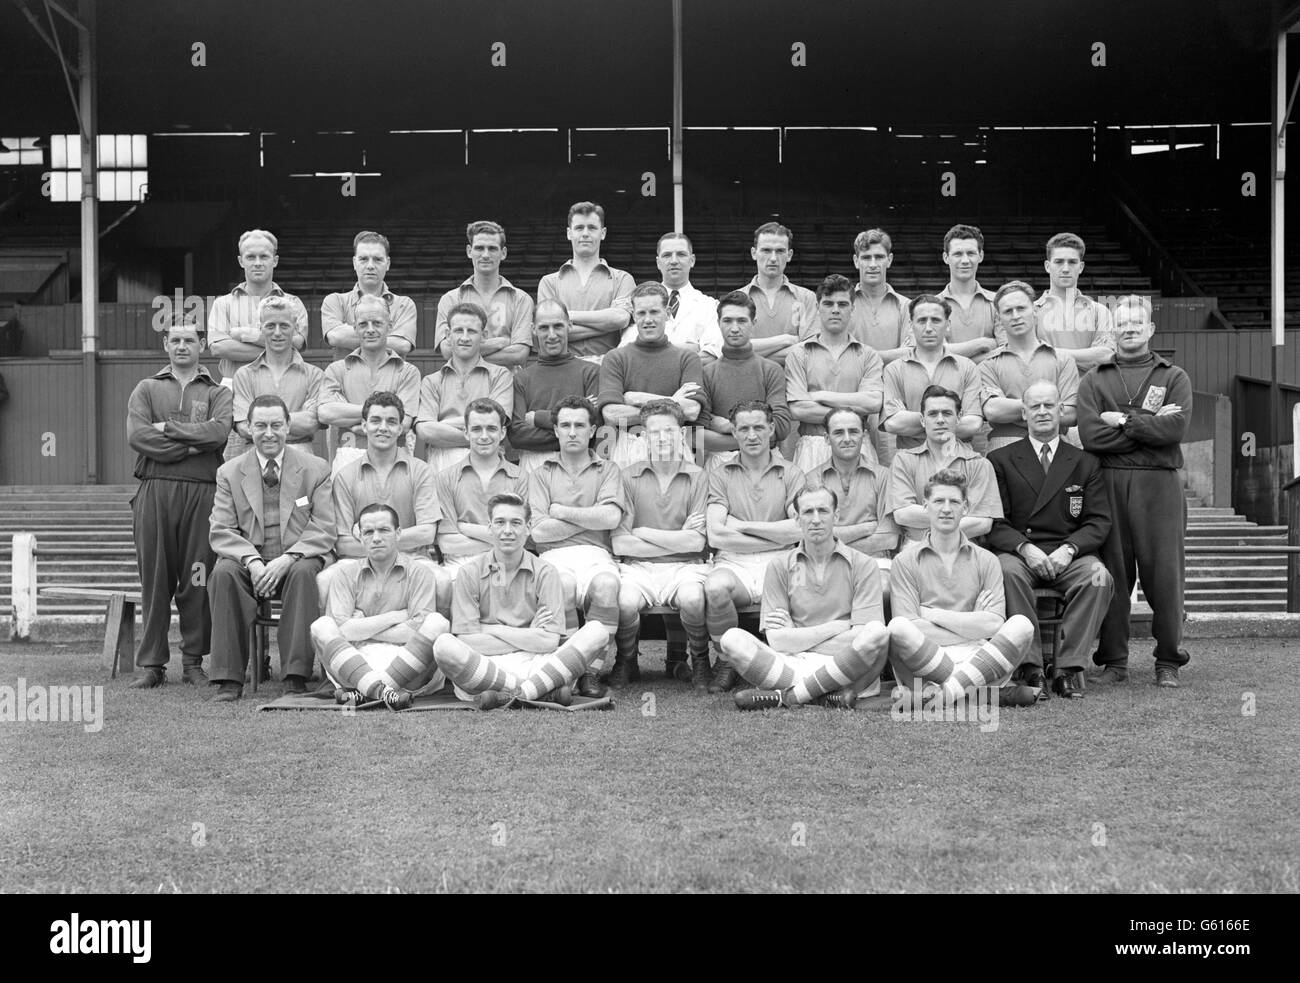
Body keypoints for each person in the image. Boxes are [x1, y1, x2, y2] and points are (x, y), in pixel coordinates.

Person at [1077, 295, 1192, 688]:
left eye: (1136, 323)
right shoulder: (1094, 378)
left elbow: (1174, 431)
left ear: (1150, 329)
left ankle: (1169, 661)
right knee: (1112, 574)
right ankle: (1114, 662)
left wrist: (1123, 421)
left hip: (1159, 485)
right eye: (1122, 323)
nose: (1129, 329)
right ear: (1114, 329)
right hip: (1107, 482)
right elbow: (1092, 436)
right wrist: (1147, 426)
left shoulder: (1173, 376)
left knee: (1165, 574)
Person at [987, 381, 1114, 699]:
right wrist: (1025, 548)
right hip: (1020, 552)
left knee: (1099, 577)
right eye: (1035, 406)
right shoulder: (1000, 459)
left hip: (1069, 551)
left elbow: (1099, 522)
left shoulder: (1085, 462)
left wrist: (1069, 549)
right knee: (1004, 572)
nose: (1042, 412)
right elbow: (995, 523)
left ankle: (1067, 669)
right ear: (1023, 413)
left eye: (1049, 405)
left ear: (1061, 410)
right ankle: (1029, 667)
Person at [125, 320, 233, 688]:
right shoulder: (147, 388)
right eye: (176, 340)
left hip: (202, 494)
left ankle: (193, 661)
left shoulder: (218, 392)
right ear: (166, 345)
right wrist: (191, 445)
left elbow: (219, 433)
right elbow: (138, 436)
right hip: (155, 491)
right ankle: (152, 665)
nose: (183, 345)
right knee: (155, 580)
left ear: (202, 344)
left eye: (190, 339)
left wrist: (167, 429)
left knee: (198, 577)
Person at [208, 395, 335, 702]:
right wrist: (252, 560)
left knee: (305, 573)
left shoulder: (316, 470)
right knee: (223, 572)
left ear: (288, 426)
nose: (269, 433)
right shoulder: (229, 472)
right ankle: (229, 678)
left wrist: (287, 559)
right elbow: (221, 529)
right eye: (261, 425)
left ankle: (294, 676)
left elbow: (325, 526)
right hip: (249, 560)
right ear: (248, 428)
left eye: (276, 425)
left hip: (296, 558)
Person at [432, 493, 610, 708]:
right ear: (490, 528)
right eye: (500, 522)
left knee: (597, 631)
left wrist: (488, 628)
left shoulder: (546, 572)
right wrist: (529, 634)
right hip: (487, 665)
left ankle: (512, 694)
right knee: (443, 645)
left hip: (536, 664)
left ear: (528, 528)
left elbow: (548, 642)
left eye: (516, 523)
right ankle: (538, 692)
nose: (507, 530)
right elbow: (468, 641)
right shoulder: (469, 572)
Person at [722, 485, 890, 710]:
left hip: (843, 664)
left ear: (836, 516)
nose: (816, 519)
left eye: (823, 511)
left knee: (878, 633)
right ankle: (820, 695)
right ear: (797, 519)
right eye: (808, 512)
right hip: (796, 663)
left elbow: (861, 635)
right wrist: (840, 626)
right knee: (731, 639)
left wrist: (797, 638)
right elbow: (777, 640)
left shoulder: (864, 565)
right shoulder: (780, 565)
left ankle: (790, 696)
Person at [887, 470, 1037, 706]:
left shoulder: (987, 559)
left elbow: (994, 625)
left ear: (965, 508)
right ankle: (975, 692)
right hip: (930, 659)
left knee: (1022, 625)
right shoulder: (905, 560)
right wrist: (971, 622)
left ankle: (943, 695)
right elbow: (908, 627)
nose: (946, 509)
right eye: (938, 501)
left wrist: (931, 614)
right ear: (925, 506)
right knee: (897, 627)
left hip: (979, 657)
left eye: (954, 502)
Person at [701, 400, 805, 693]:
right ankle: (725, 661)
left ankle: (790, 657)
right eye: (744, 429)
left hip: (782, 560)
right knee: (715, 588)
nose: (752, 435)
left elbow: (798, 531)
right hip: (734, 562)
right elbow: (717, 536)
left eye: (759, 427)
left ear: (772, 429)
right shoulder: (721, 474)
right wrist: (774, 534)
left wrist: (742, 525)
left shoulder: (792, 472)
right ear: (733, 433)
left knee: (807, 585)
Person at [527, 395, 626, 698]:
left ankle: (591, 673)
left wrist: (562, 511)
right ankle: (568, 671)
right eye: (565, 425)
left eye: (579, 425)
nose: (572, 432)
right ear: (555, 430)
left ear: (593, 429)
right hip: (553, 556)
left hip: (598, 555)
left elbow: (611, 517)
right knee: (562, 584)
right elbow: (540, 533)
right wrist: (591, 516)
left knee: (608, 586)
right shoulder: (541, 473)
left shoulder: (608, 469)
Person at [310, 504, 449, 711]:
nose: (376, 538)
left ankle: (365, 692)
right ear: (361, 538)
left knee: (438, 623)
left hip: (408, 663)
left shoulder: (420, 573)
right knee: (321, 626)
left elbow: (417, 631)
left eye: (383, 530)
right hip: (355, 660)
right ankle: (383, 692)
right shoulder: (345, 575)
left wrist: (363, 627)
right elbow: (343, 630)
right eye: (368, 532)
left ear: (398, 533)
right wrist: (395, 616)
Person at [609, 400, 709, 686]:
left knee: (692, 599)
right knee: (625, 603)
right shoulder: (628, 475)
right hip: (639, 567)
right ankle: (626, 660)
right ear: (644, 437)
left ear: (682, 435)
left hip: (685, 566)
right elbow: (620, 545)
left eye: (669, 431)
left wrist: (643, 532)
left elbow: (697, 543)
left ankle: (698, 658)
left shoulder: (698, 476)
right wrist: (678, 539)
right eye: (654, 432)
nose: (663, 438)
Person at [330, 391, 447, 609]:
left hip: (412, 558)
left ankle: (431, 641)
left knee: (441, 582)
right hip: (358, 561)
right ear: (364, 426)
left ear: (401, 428)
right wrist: (387, 544)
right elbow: (343, 543)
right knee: (324, 581)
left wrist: (374, 541)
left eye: (391, 421)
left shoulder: (420, 471)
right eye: (375, 421)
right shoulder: (345, 476)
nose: (383, 427)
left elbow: (426, 533)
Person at [206, 229, 308, 458]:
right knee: (236, 468)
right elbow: (219, 347)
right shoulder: (223, 304)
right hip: (234, 395)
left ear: (275, 260)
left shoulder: (293, 303)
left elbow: (298, 343)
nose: (258, 262)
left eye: (264, 256)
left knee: (291, 472)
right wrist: (277, 344)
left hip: (283, 390)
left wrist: (245, 334)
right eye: (251, 257)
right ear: (241, 261)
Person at [597, 282, 706, 466]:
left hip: (675, 446)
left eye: (654, 312)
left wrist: (635, 397)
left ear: (668, 313)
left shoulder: (687, 358)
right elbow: (611, 414)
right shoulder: (615, 358)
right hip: (628, 447)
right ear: (634, 315)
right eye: (641, 313)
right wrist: (672, 401)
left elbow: (692, 410)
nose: (648, 319)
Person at [786, 273, 885, 470]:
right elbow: (799, 410)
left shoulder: (868, 355)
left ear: (852, 309)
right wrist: (853, 408)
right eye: (828, 304)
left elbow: (874, 402)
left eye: (842, 304)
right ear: (817, 307)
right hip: (812, 446)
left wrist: (821, 396)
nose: (835, 310)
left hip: (858, 444)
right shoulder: (799, 354)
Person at [889, 385, 1003, 544]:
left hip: (965, 547)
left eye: (947, 413)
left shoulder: (979, 464)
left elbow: (982, 523)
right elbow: (902, 514)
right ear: (922, 420)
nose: (940, 420)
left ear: (959, 417)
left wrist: (932, 524)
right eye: (933, 414)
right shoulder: (903, 460)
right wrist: (958, 514)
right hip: (915, 549)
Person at [318, 295, 421, 468]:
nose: (370, 329)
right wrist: (383, 414)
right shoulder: (337, 370)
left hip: (394, 461)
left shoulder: (408, 372)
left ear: (390, 326)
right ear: (355, 328)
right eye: (363, 324)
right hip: (347, 458)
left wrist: (354, 418)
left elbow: (402, 424)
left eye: (377, 323)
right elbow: (325, 413)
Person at [979, 280, 1080, 452]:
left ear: (1034, 311)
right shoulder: (987, 365)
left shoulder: (1063, 360)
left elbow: (1071, 414)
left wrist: (1014, 411)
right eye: (1008, 311)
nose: (1015, 315)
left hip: (1055, 447)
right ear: (1000, 318)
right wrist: (1048, 408)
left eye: (1021, 308)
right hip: (1005, 447)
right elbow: (993, 411)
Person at [880, 295, 983, 460]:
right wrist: (951, 419)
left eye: (935, 320)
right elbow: (892, 423)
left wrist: (910, 418)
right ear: (911, 325)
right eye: (921, 320)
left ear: (948, 324)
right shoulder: (894, 369)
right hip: (910, 460)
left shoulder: (967, 367)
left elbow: (972, 424)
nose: (928, 328)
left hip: (958, 458)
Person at [415, 301, 513, 473]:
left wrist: (443, 424)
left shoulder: (500, 376)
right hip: (441, 464)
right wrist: (481, 434)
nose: (465, 338)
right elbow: (425, 431)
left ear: (483, 335)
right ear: (447, 334)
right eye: (459, 330)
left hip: (489, 465)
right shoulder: (431, 381)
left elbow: (496, 423)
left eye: (472, 331)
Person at [434, 398, 527, 574]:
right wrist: (500, 539)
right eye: (476, 429)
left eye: (491, 428)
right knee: (445, 588)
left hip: (506, 565)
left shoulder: (521, 477)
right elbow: (447, 544)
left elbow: (523, 538)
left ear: (502, 432)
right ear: (466, 433)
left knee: (499, 589)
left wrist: (465, 528)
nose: (484, 436)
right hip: (458, 565)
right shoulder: (445, 479)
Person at [507, 299, 601, 473]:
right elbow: (517, 435)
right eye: (544, 328)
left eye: (558, 326)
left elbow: (596, 430)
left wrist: (538, 419)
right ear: (533, 329)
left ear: (569, 325)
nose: (551, 335)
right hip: (534, 468)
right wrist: (576, 432)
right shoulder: (521, 379)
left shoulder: (591, 373)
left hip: (582, 467)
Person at [537, 201, 634, 362]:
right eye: (579, 228)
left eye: (592, 228)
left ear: (603, 233)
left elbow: (620, 319)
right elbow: (550, 332)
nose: (585, 233)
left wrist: (567, 316)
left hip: (608, 369)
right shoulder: (549, 282)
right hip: (562, 368)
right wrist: (607, 325)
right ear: (569, 233)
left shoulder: (623, 278)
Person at [699, 291, 792, 459]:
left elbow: (781, 427)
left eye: (742, 321)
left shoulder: (771, 370)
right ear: (718, 323)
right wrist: (758, 436)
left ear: (753, 323)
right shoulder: (706, 373)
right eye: (727, 321)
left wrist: (728, 427)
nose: (734, 328)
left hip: (766, 464)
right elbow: (697, 436)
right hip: (720, 466)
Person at [805, 408, 898, 573]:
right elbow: (814, 539)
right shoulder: (812, 479)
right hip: (827, 563)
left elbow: (889, 538)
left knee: (883, 588)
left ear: (864, 434)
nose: (847, 439)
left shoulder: (883, 476)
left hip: (875, 561)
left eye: (853, 431)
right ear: (827, 438)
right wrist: (867, 528)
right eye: (839, 433)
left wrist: (834, 539)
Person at [229, 296, 323, 458]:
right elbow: (244, 427)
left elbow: (310, 423)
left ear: (295, 327)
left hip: (302, 461)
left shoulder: (315, 375)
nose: (277, 333)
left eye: (284, 326)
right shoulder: (244, 375)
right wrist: (294, 420)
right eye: (270, 326)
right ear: (260, 328)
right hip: (255, 462)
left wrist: (259, 422)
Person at [434, 220, 533, 369]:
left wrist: (466, 353)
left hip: (507, 386)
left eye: (492, 248)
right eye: (479, 248)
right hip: (462, 387)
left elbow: (519, 354)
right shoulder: (450, 299)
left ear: (503, 253)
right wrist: (501, 342)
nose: (485, 255)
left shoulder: (521, 299)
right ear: (469, 251)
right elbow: (447, 351)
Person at [616, 233, 723, 362]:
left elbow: (711, 355)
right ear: (658, 262)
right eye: (667, 255)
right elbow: (625, 354)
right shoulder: (638, 304)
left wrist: (651, 352)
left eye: (681, 254)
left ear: (692, 260)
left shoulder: (709, 306)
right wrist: (692, 348)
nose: (673, 261)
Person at [322, 230, 417, 358]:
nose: (370, 265)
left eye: (377, 259)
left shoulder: (404, 304)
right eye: (363, 259)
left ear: (388, 263)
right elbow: (335, 337)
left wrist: (351, 337)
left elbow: (403, 345)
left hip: (392, 378)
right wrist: (385, 338)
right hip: (347, 377)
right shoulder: (335, 301)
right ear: (354, 262)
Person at [737, 222, 817, 365]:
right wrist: (786, 340)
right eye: (766, 250)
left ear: (789, 255)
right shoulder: (736, 299)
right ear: (754, 253)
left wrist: (752, 352)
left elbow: (809, 352)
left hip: (793, 383)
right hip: (749, 382)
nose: (773, 258)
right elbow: (734, 349)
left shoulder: (806, 298)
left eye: (780, 251)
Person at [1034, 232, 1115, 371]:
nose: (1065, 268)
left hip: (1087, 391)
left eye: (1072, 262)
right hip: (1045, 390)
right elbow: (1029, 359)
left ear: (1081, 267)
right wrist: (1087, 357)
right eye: (1059, 262)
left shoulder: (1099, 311)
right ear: (1047, 266)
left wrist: (1049, 353)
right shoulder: (1031, 311)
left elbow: (1106, 356)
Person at [934, 224, 1000, 361]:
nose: (965, 260)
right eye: (958, 254)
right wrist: (982, 343)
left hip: (989, 382)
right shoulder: (932, 306)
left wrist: (953, 353)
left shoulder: (998, 303)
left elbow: (1006, 353)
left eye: (970, 253)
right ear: (946, 258)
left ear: (980, 256)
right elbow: (934, 354)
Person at [847, 228, 911, 363]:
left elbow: (911, 354)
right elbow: (838, 355)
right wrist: (896, 354)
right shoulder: (842, 304)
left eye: (879, 257)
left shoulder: (907, 306)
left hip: (893, 383)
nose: (873, 264)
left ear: (889, 260)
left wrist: (859, 357)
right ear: (856, 261)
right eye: (866, 257)